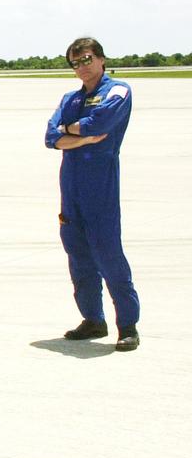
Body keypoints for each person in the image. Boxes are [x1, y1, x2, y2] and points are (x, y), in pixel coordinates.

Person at [45, 38, 140, 351]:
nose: (82, 67)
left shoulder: (118, 90)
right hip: (70, 184)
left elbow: (100, 123)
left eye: (86, 59)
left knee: (108, 253)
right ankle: (92, 319)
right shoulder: (69, 99)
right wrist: (83, 137)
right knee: (77, 253)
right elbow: (50, 136)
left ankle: (127, 325)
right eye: (75, 63)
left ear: (101, 59)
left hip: (100, 184)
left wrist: (69, 132)